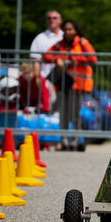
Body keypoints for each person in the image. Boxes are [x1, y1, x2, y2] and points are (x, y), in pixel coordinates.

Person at [42, 20, 96, 150]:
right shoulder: (60, 44)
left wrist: (71, 59)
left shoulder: (83, 42)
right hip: (63, 83)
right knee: (63, 114)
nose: (67, 32)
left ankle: (75, 139)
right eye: (65, 29)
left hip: (78, 85)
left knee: (75, 114)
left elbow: (92, 58)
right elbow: (46, 56)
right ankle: (64, 140)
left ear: (76, 30)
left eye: (70, 29)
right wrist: (57, 59)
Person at [30, 10, 63, 110]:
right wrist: (37, 77)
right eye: (49, 18)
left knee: (64, 108)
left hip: (64, 79)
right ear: (46, 21)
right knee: (50, 107)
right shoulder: (40, 38)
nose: (51, 20)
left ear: (60, 20)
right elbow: (35, 60)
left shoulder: (65, 37)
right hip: (47, 79)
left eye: (54, 18)